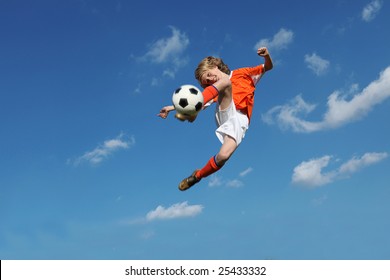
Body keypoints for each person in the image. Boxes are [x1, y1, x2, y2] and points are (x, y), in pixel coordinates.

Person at [158, 47, 273, 191]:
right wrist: (173, 107)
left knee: (223, 156)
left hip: (240, 120)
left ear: (214, 66)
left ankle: (197, 176)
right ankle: (191, 113)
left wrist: (267, 56)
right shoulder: (220, 85)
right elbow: (198, 101)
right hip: (225, 110)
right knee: (225, 84)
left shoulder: (243, 73)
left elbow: (268, 67)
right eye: (206, 83)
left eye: (209, 76)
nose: (211, 80)